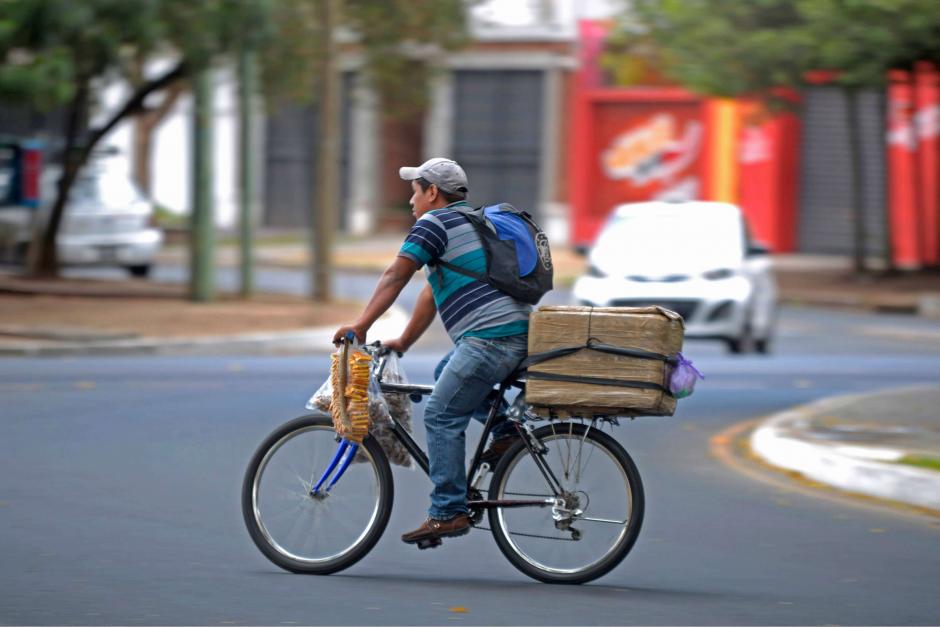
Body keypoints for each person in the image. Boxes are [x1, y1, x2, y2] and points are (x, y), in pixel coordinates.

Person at [332, 157, 530, 546]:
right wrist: (403, 341)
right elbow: (429, 292)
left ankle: (448, 511)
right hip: (519, 335)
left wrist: (361, 326)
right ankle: (509, 429)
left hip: (490, 340)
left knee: (440, 414)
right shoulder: (474, 221)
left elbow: (396, 275)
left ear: (432, 192)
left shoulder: (433, 224)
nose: (411, 199)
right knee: (445, 372)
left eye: (415, 190)